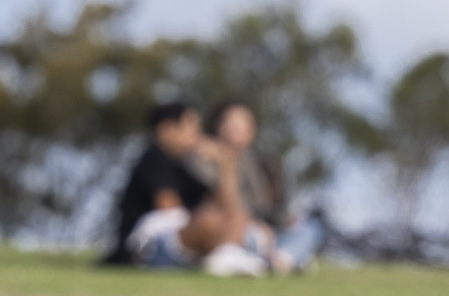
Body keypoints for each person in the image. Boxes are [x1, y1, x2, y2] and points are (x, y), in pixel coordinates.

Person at [105, 101, 260, 275]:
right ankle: (224, 255)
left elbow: (227, 204)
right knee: (209, 220)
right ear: (167, 129)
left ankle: (225, 256)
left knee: (237, 214)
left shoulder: (183, 166)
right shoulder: (154, 158)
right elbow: (168, 207)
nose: (197, 134)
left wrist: (226, 163)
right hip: (149, 245)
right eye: (191, 127)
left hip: (182, 241)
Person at [207, 100, 324, 272]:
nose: (237, 128)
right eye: (232, 122)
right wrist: (227, 164)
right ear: (218, 126)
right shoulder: (206, 158)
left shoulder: (260, 162)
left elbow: (269, 206)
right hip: (236, 229)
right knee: (252, 236)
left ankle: (280, 259)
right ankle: (285, 259)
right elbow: (222, 204)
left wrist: (283, 221)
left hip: (267, 229)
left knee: (310, 228)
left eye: (244, 122)